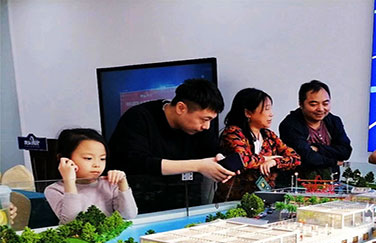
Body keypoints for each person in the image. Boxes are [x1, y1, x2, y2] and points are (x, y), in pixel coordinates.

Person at [108, 78, 239, 213]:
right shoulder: (138, 118)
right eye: (204, 119)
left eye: (210, 120)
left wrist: (220, 161)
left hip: (188, 205)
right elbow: (137, 163)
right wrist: (198, 166)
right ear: (181, 108)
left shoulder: (201, 128)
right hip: (140, 207)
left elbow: (211, 150)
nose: (206, 126)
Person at [218, 88, 300, 201]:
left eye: (270, 109)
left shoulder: (269, 135)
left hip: (264, 199)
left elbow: (295, 158)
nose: (271, 114)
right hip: (234, 200)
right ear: (248, 113)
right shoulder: (233, 133)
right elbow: (242, 160)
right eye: (266, 109)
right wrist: (266, 158)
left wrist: (274, 162)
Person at [45, 128, 138, 224]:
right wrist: (69, 182)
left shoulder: (109, 184)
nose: (97, 164)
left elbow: (129, 215)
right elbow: (72, 221)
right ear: (63, 159)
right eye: (88, 158)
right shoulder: (54, 190)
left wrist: (123, 184)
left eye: (102, 159)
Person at [279, 80, 352, 180]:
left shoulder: (334, 121)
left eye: (325, 104)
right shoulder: (290, 125)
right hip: (298, 182)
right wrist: (334, 161)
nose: (321, 109)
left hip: (331, 181)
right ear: (301, 104)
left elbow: (345, 152)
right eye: (313, 104)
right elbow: (306, 158)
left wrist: (317, 148)